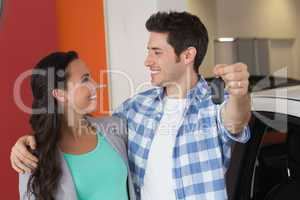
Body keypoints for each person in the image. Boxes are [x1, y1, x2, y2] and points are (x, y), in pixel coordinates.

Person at [11, 11, 251, 200]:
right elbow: (81, 127)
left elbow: (235, 120)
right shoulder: (136, 107)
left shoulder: (212, 107)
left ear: (187, 56)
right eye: (149, 51)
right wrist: (27, 143)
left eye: (157, 52)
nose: (148, 61)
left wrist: (239, 94)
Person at [17, 51, 135, 200]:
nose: (95, 84)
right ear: (60, 94)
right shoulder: (32, 157)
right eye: (85, 80)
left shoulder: (115, 128)